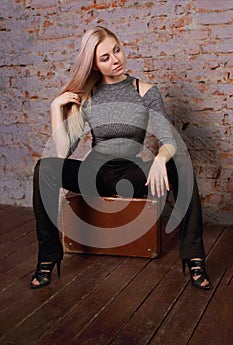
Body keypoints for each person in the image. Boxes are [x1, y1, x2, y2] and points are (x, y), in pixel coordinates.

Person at [31, 26, 210, 290]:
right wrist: (55, 109)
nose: (116, 59)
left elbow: (169, 141)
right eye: (105, 57)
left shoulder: (146, 91)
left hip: (132, 174)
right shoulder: (89, 96)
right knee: (45, 166)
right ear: (93, 64)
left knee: (180, 161)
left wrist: (160, 159)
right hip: (95, 175)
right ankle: (48, 256)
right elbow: (61, 152)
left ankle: (194, 257)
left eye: (117, 50)